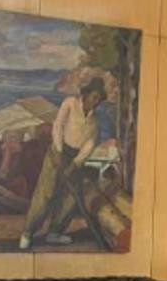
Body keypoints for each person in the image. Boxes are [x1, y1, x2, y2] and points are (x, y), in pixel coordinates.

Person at [18, 77, 106, 249]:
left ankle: (54, 232)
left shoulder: (95, 121)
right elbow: (57, 126)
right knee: (46, 194)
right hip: (58, 151)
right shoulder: (70, 103)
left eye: (99, 99)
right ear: (86, 94)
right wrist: (58, 152)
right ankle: (27, 232)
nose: (96, 102)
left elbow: (90, 144)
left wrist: (75, 164)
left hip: (75, 159)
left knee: (70, 198)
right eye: (94, 97)